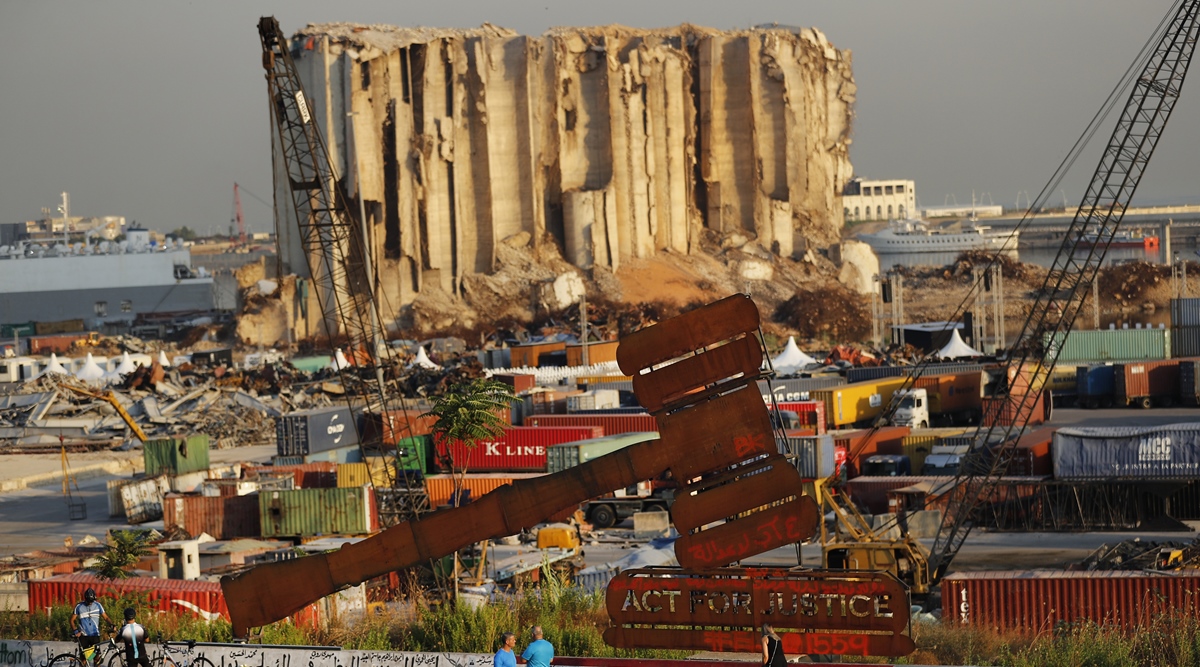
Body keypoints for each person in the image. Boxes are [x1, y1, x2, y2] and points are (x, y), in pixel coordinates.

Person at [71, 588, 112, 664]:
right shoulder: (79, 606)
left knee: (96, 658)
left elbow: (106, 617)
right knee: (83, 660)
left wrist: (111, 624)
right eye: (88, 601)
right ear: (85, 599)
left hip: (95, 635)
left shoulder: (98, 605)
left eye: (92, 601)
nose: (90, 603)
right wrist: (76, 631)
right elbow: (72, 620)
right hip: (83, 636)